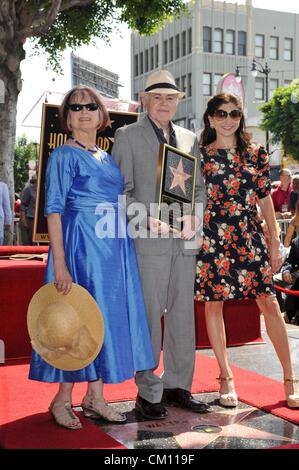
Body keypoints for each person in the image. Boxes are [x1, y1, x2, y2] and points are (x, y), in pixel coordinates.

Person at [29, 85, 155, 429]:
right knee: (78, 319)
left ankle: (95, 397)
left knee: (102, 321)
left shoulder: (103, 155)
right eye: (76, 107)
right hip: (81, 247)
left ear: (101, 115)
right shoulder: (64, 156)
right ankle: (62, 399)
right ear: (67, 119)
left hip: (112, 251)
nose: (84, 111)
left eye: (90, 106)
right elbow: (53, 211)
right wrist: (59, 262)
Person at [112, 70, 209, 420]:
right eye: (157, 97)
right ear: (145, 100)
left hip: (184, 243)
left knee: (183, 317)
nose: (164, 103)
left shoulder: (187, 138)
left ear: (178, 101)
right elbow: (118, 191)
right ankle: (148, 391)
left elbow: (199, 187)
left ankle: (178, 385)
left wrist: (195, 218)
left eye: (171, 97)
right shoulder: (127, 135)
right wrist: (143, 219)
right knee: (150, 317)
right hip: (148, 241)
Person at [195, 93, 299, 409]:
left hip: (248, 234)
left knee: (268, 301)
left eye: (235, 113)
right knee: (214, 305)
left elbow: (265, 198)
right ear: (211, 118)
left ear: (241, 117)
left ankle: (289, 378)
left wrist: (273, 242)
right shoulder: (200, 157)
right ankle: (226, 378)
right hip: (211, 236)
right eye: (221, 113)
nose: (228, 119)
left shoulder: (255, 154)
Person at [275, 236, 299, 325]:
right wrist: (286, 271)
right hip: (296, 273)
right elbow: (289, 262)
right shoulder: (296, 242)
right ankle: (279, 311)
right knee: (273, 281)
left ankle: (289, 313)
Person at [20, 174, 37, 245]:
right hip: (31, 219)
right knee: (29, 243)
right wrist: (24, 220)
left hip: (43, 220)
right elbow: (23, 205)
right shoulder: (29, 189)